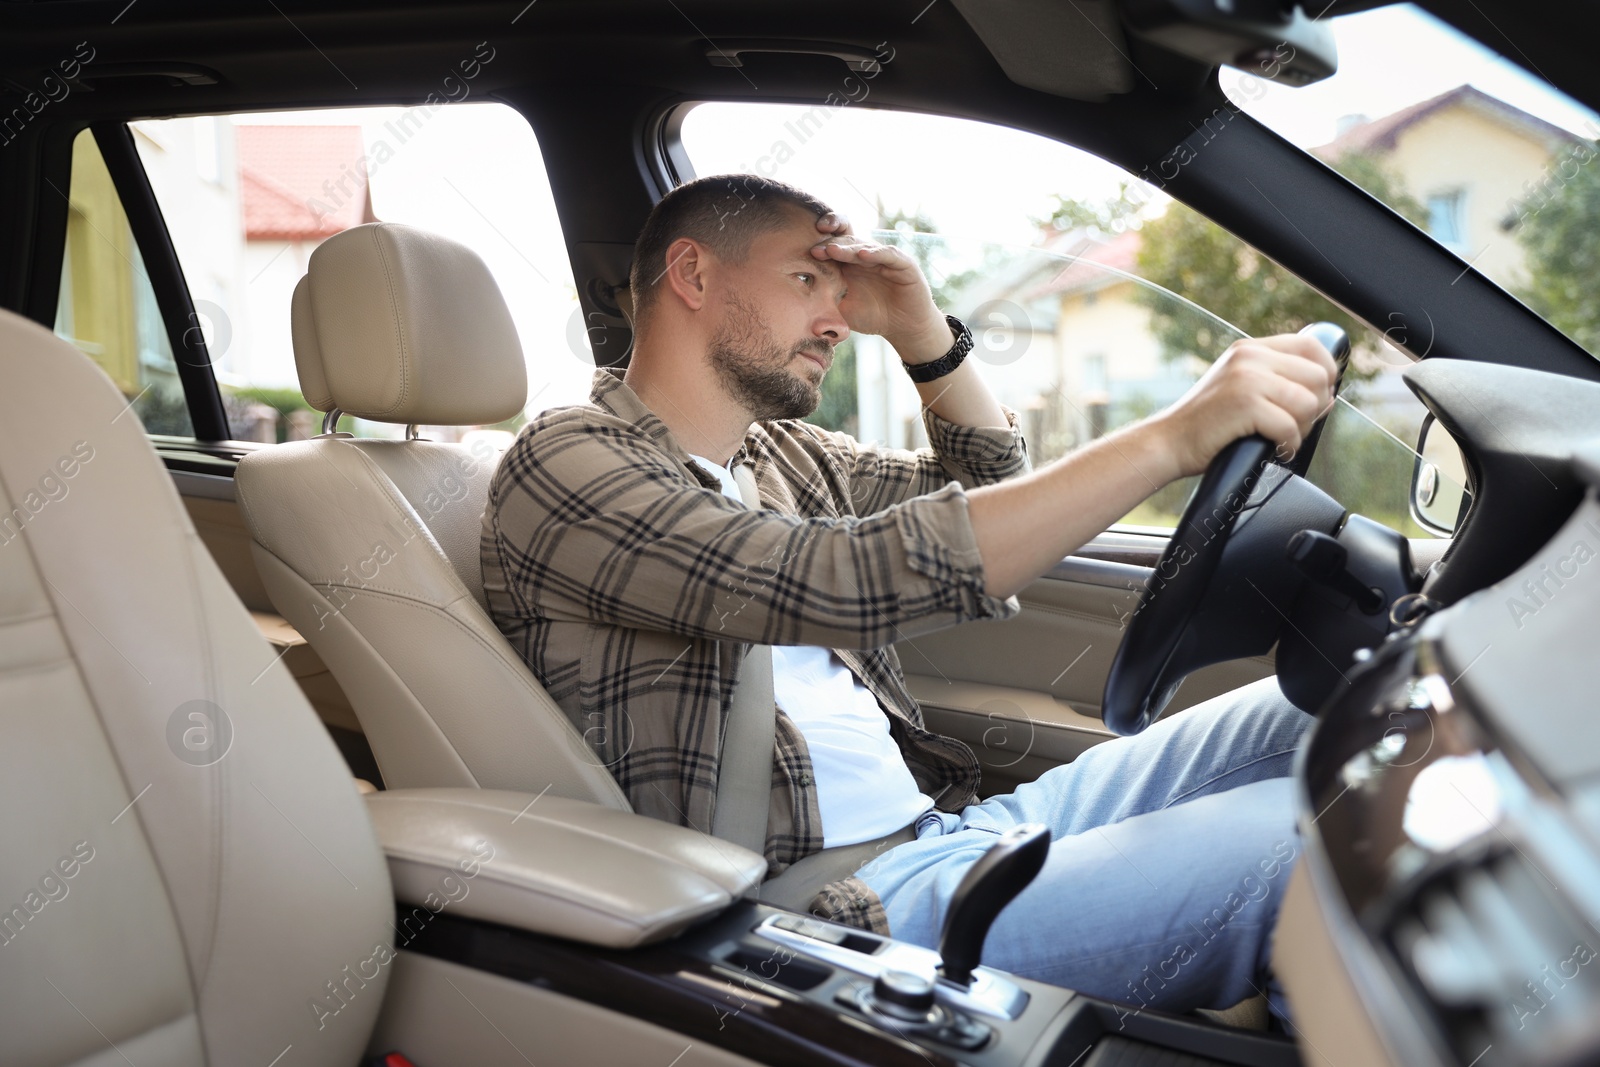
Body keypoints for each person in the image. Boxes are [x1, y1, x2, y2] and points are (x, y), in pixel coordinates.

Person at [480, 174, 1338, 1020]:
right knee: (1319, 850)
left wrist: (922, 332)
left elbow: (989, 481)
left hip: (951, 829)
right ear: (694, 275)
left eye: (841, 289)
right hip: (830, 912)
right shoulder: (566, 461)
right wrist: (1173, 437)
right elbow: (830, 579)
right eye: (808, 279)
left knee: (1331, 711)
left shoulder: (780, 455)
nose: (836, 318)